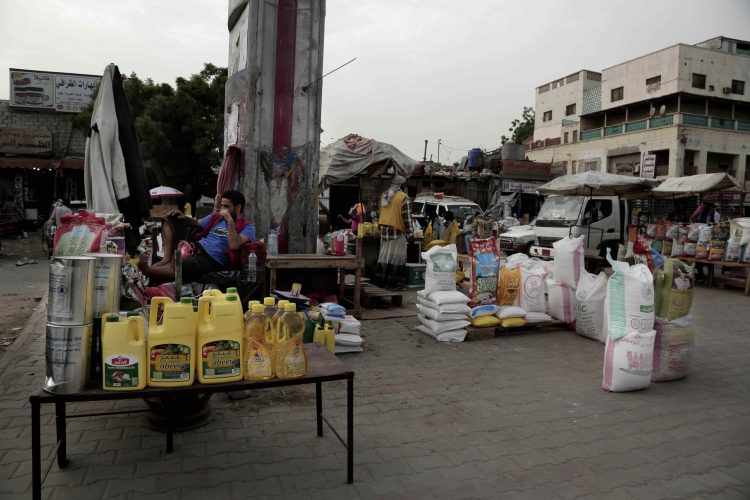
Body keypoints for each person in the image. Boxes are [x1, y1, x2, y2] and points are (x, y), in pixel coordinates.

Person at [138, 190, 255, 283]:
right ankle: (161, 262)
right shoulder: (216, 218)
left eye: (226, 206)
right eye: (222, 206)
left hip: (212, 260)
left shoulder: (248, 227)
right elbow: (197, 223)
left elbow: (234, 245)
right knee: (170, 220)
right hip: (195, 248)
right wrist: (183, 217)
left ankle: (147, 270)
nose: (222, 210)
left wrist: (229, 220)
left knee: (181, 265)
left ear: (238, 207)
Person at [376, 175, 413, 288]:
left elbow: (379, 213)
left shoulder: (384, 195)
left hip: (383, 229)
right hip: (396, 230)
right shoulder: (403, 197)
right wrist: (410, 233)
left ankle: (382, 282)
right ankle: (392, 284)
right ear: (402, 185)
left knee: (385, 256)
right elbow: (407, 218)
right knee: (397, 257)